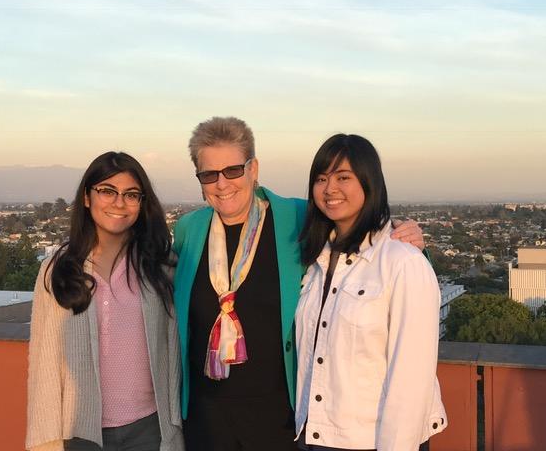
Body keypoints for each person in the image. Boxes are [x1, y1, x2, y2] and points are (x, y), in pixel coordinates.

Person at [172, 117, 426, 451]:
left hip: (279, 416)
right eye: (209, 174)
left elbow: (364, 233)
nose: (222, 184)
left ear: (253, 169)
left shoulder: (296, 217)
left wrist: (410, 239)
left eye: (233, 170)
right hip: (206, 417)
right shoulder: (189, 230)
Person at [294, 134, 447, 451]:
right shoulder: (316, 263)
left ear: (369, 182)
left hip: (373, 440)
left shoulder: (403, 262)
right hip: (314, 434)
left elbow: (412, 377)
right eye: (321, 179)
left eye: (343, 177)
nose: (330, 189)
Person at [26, 152, 184, 451]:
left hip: (150, 430)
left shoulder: (161, 266)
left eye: (131, 194)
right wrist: (45, 441)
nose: (119, 203)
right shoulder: (57, 269)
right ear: (87, 197)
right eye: (107, 191)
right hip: (80, 433)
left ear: (142, 203)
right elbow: (44, 361)